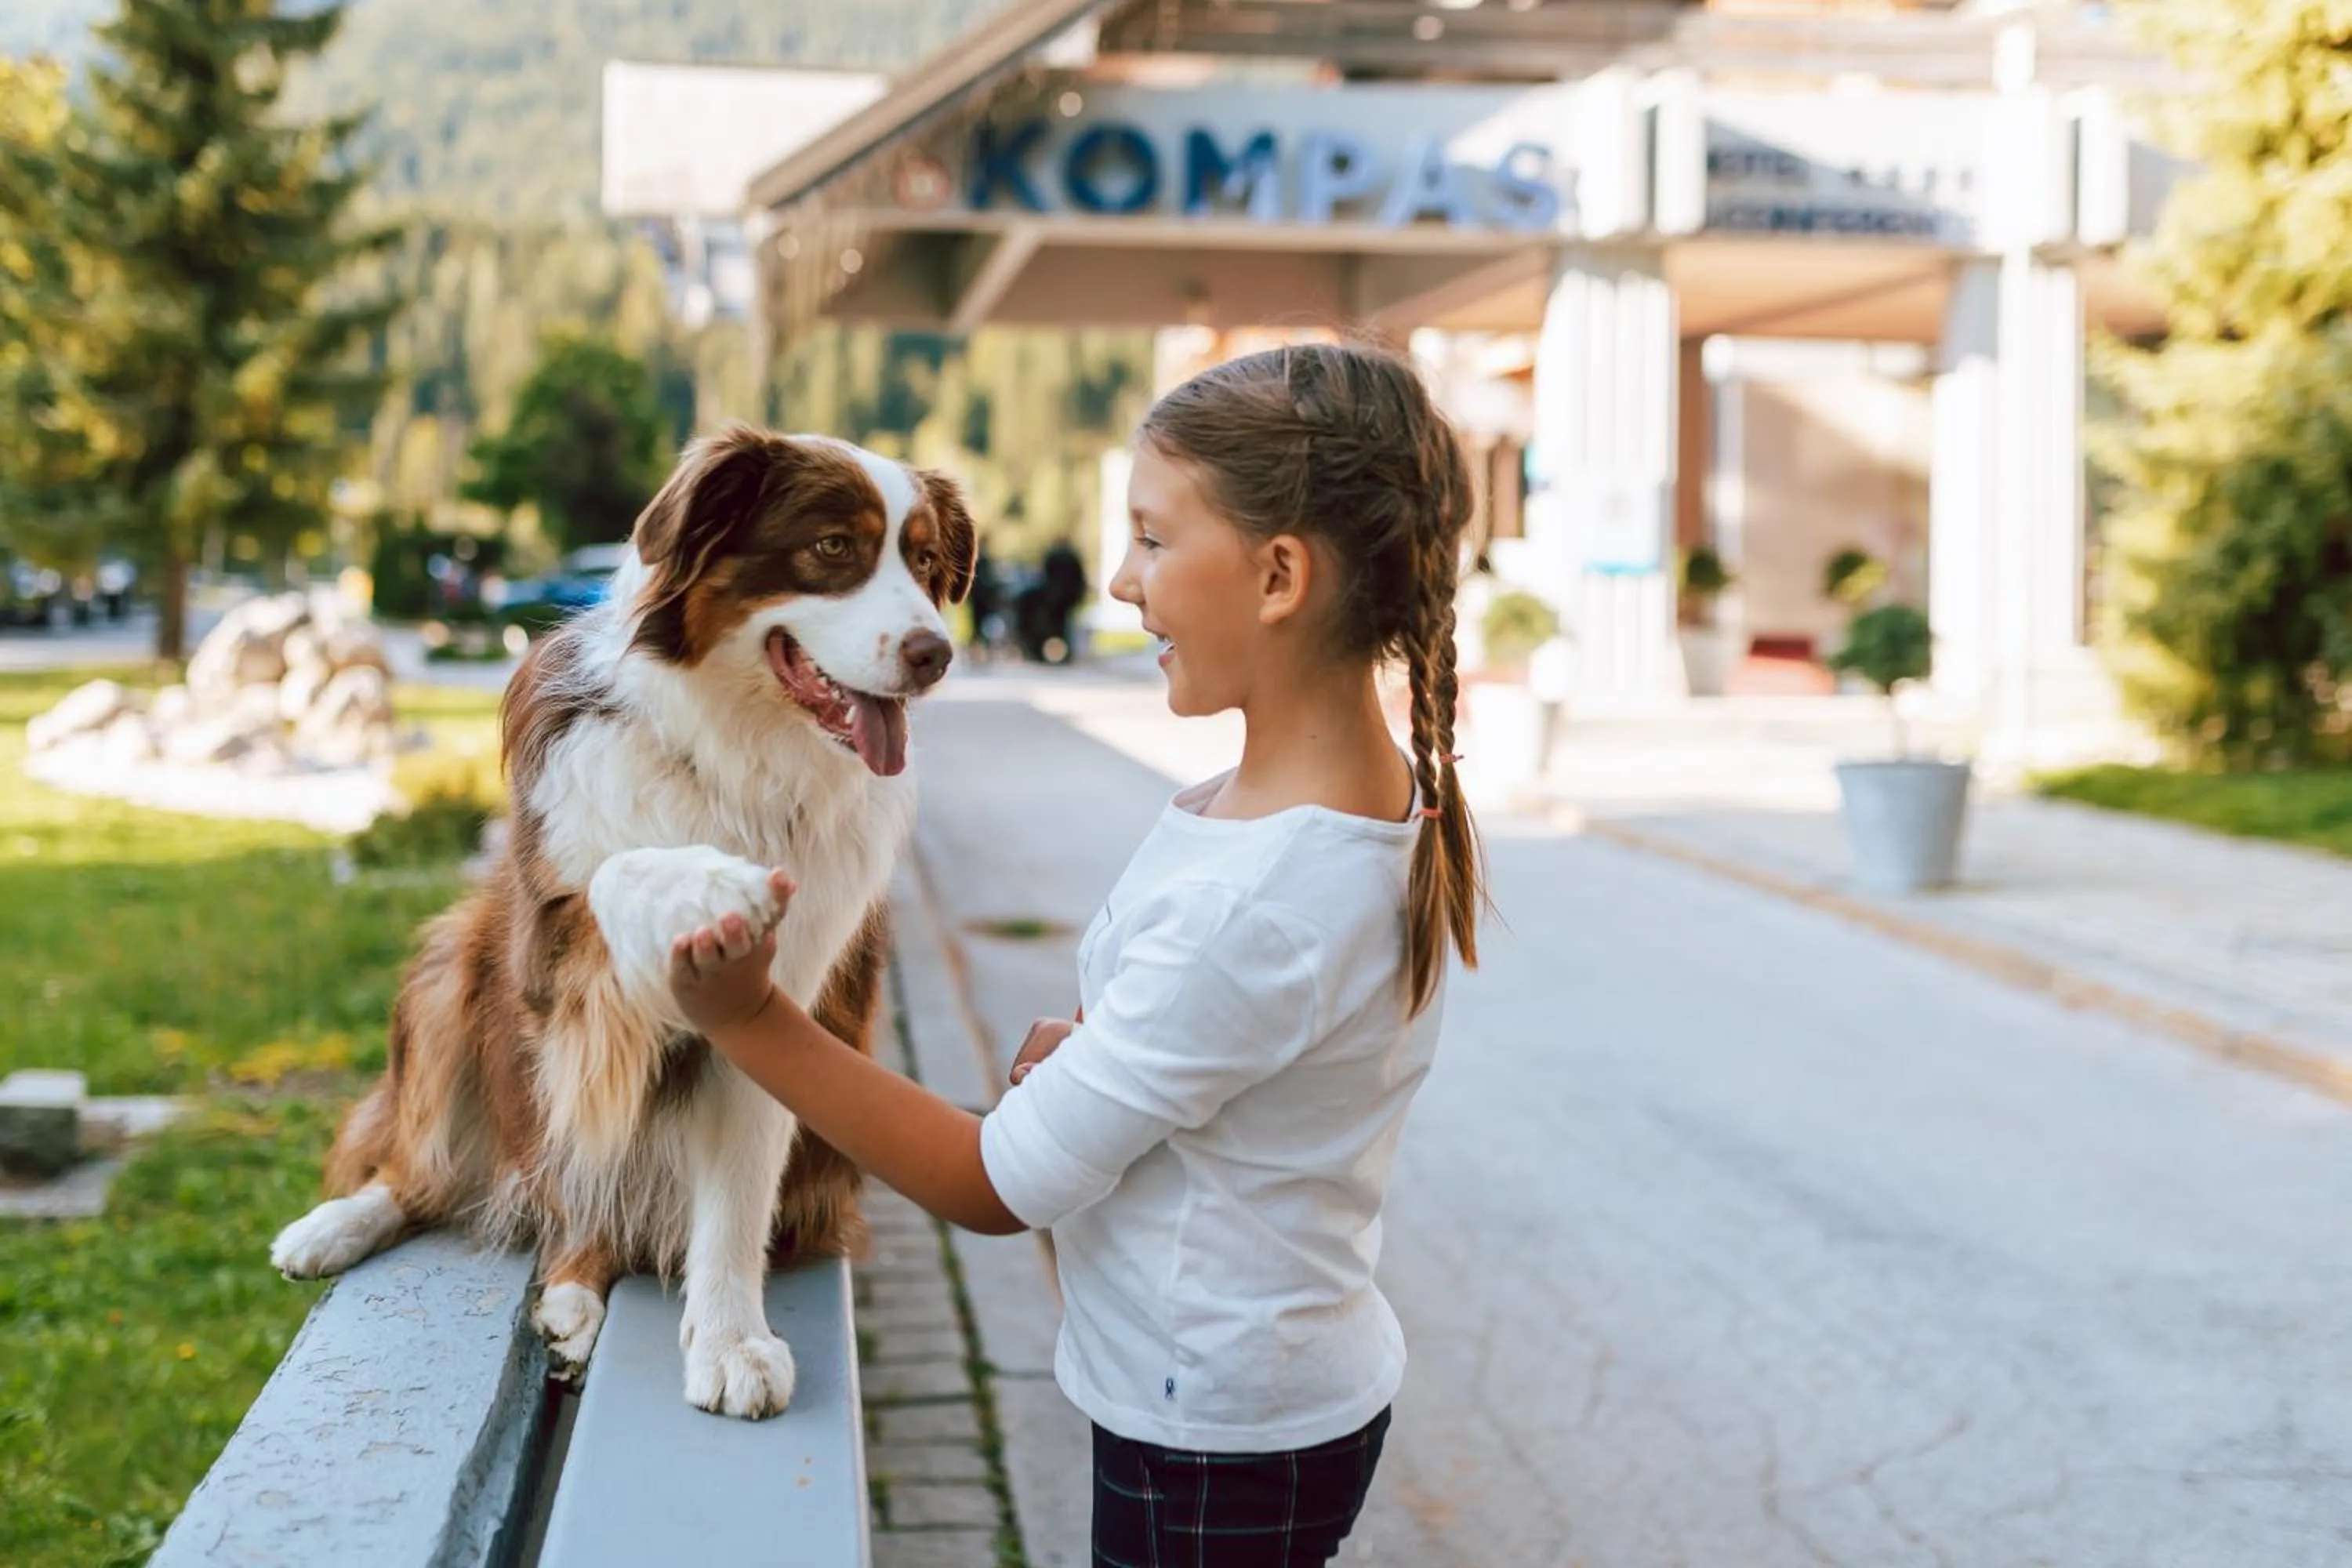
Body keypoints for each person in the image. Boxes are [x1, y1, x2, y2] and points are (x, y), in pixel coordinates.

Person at [665, 341, 1485, 1567]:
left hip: (1213, 1434)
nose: (1116, 580)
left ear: (1277, 575)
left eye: (1153, 540)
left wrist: (749, 1020)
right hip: (1262, 1386)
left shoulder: (1261, 898)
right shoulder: (1315, 809)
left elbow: (989, 1188)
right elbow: (1258, 1048)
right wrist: (1111, 1053)